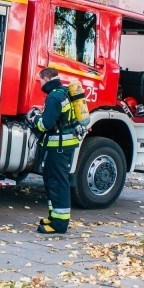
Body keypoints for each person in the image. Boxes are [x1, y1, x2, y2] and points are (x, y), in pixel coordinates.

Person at [30, 67, 81, 235]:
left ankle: (59, 224)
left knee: (58, 182)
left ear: (46, 79)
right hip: (62, 146)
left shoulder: (54, 97)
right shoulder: (64, 92)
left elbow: (46, 125)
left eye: (40, 81)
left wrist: (34, 118)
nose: (40, 84)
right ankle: (54, 217)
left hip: (59, 147)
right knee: (52, 180)